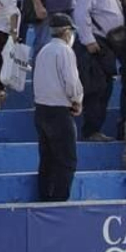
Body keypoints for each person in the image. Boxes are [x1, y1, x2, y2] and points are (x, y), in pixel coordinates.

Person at [73, 0, 126, 142]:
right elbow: (81, 13)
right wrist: (88, 40)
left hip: (108, 44)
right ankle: (91, 131)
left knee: (105, 88)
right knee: (96, 88)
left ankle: (96, 129)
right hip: (96, 43)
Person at [33, 12, 83, 202]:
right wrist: (77, 100)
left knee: (47, 160)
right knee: (66, 161)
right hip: (59, 111)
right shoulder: (65, 51)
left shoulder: (44, 51)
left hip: (41, 109)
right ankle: (60, 201)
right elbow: (71, 82)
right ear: (66, 32)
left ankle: (45, 197)